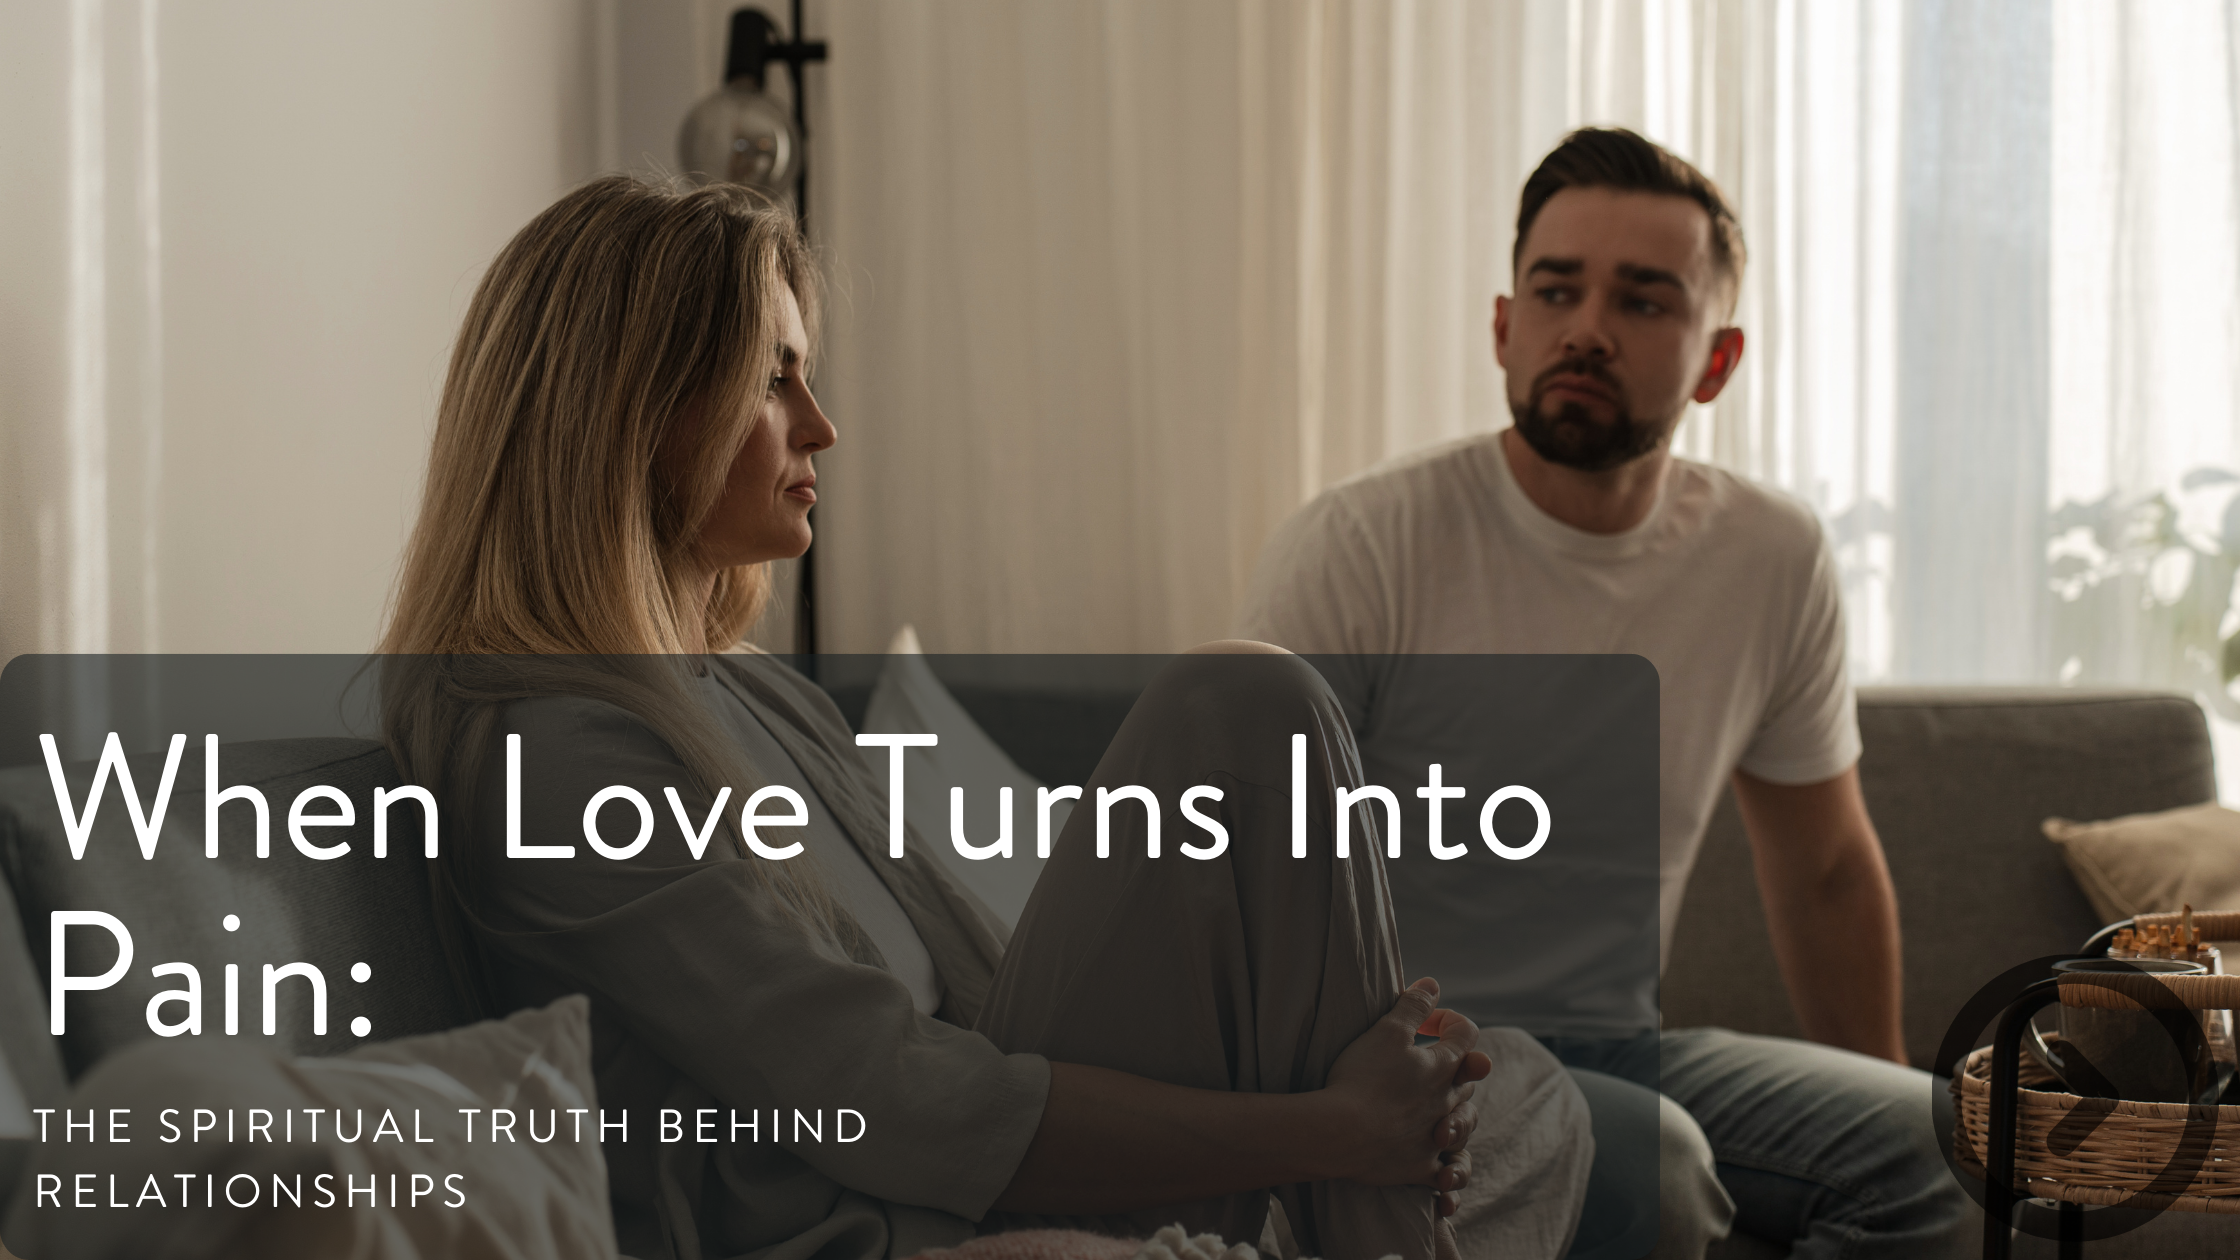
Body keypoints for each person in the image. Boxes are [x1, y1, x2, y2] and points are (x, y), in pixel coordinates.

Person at [373, 175, 1591, 1260]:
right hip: (908, 1218)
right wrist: (1322, 1130)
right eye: (773, 377)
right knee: (1246, 702)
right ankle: (1366, 1204)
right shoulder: (553, 752)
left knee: (1527, 1090)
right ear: (636, 411)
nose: (821, 427)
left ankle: (1360, 1195)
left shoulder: (755, 693)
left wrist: (1321, 1104)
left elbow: (986, 997)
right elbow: (885, 1102)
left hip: (983, 1153)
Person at [1238, 129, 1974, 1260]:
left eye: (1642, 301)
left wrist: (1869, 1084)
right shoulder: (1360, 543)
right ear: (1501, 327)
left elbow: (1823, 869)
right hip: (1398, 1049)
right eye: (1554, 289)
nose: (1585, 327)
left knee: (1944, 1145)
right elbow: (1249, 869)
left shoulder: (1766, 555)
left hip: (1628, 1045)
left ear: (1714, 361)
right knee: (1662, 1168)